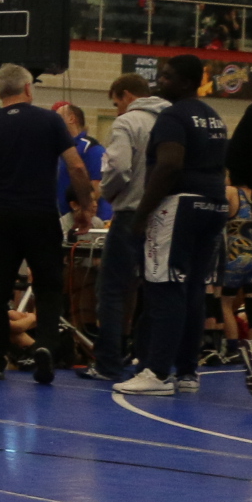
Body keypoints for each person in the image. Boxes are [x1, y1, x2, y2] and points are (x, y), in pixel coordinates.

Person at [0, 64, 93, 384]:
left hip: (1, 217)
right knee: (48, 288)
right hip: (41, 216)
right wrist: (86, 207)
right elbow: (76, 167)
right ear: (28, 89)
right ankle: (45, 346)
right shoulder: (49, 121)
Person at [113, 55, 230, 395]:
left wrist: (142, 213)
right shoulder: (214, 117)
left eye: (166, 77)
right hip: (214, 204)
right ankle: (188, 372)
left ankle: (158, 372)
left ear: (184, 82)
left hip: (180, 205)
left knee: (165, 286)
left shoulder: (173, 115)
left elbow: (169, 164)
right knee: (194, 288)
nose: (158, 82)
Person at [84, 74, 160, 382]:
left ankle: (108, 364)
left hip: (131, 212)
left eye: (116, 103)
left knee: (112, 290)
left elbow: (117, 167)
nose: (116, 110)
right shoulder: (172, 118)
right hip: (164, 215)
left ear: (127, 96)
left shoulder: (128, 123)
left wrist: (107, 192)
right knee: (156, 290)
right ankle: (151, 363)